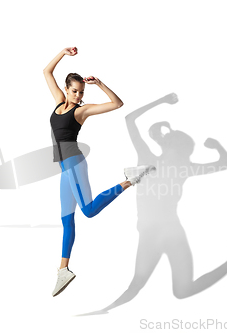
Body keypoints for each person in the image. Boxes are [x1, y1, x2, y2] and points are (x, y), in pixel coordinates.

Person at [44, 47, 155, 297]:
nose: (78, 95)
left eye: (81, 92)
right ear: (66, 89)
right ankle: (64, 269)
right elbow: (46, 71)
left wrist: (101, 83)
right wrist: (62, 52)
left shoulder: (80, 111)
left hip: (74, 163)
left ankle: (130, 179)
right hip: (64, 168)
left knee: (90, 211)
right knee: (66, 219)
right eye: (74, 91)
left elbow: (117, 104)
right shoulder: (59, 103)